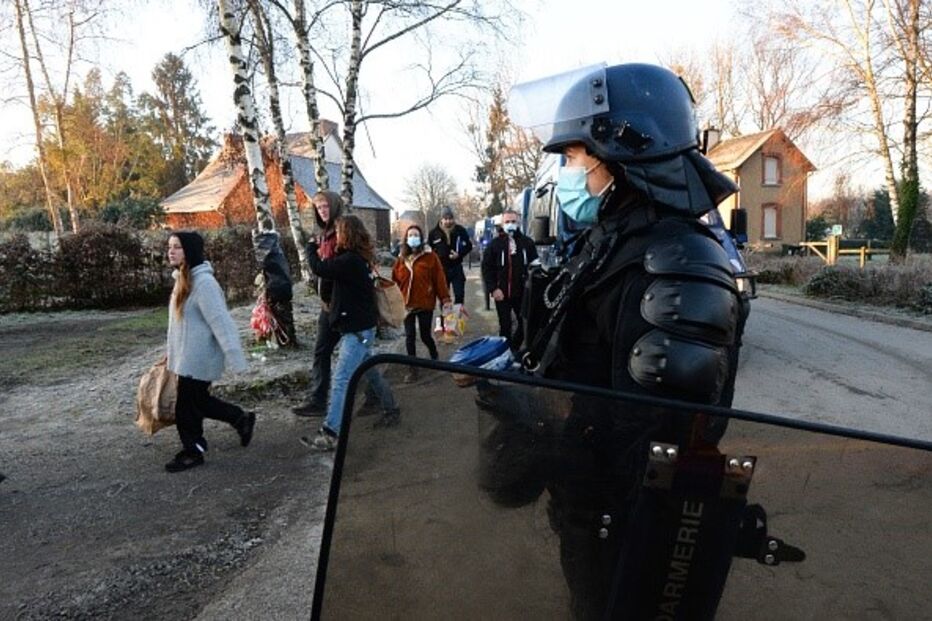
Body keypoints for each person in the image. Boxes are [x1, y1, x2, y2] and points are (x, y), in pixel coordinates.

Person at [484, 63, 744, 618]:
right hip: (589, 517)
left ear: (622, 151)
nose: (566, 172)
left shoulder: (676, 258)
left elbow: (653, 445)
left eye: (574, 157)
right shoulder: (611, 240)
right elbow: (578, 367)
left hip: (628, 532)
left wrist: (535, 415)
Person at [303, 215, 400, 450]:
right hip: (361, 329)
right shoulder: (359, 259)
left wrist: (310, 247)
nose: (335, 235)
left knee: (341, 380)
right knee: (371, 373)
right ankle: (391, 409)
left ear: (347, 234)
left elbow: (319, 268)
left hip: (356, 331)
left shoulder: (349, 261)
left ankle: (330, 432)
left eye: (339, 231)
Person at [164, 231, 254, 473]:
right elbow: (180, 326)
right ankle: (240, 418)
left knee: (186, 408)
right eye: (170, 246)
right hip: (187, 358)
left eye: (177, 247)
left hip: (200, 359)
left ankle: (193, 450)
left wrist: (235, 356)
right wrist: (170, 353)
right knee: (200, 402)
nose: (171, 251)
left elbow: (221, 322)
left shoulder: (204, 284)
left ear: (189, 251)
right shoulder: (183, 280)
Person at [292, 191, 344, 416]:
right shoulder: (323, 234)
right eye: (319, 207)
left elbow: (329, 269)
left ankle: (380, 398)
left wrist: (311, 251)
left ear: (334, 206)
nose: (322, 210)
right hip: (328, 305)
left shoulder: (343, 232)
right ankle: (318, 399)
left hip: (343, 305)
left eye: (325, 206)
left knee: (358, 354)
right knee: (322, 351)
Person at [392, 224, 451, 383]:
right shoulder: (400, 259)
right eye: (410, 235)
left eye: (416, 235)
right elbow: (394, 282)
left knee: (425, 335)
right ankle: (412, 369)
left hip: (425, 302)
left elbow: (439, 280)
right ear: (406, 238)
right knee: (409, 336)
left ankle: (434, 355)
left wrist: (445, 299)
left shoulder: (431, 257)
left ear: (421, 237)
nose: (413, 238)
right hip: (407, 305)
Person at [480, 209, 538, 352]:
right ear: (502, 223)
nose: (510, 224)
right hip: (502, 292)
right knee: (505, 326)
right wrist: (493, 289)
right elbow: (487, 269)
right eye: (507, 222)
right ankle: (504, 354)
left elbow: (535, 266)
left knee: (524, 324)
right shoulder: (494, 245)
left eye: (513, 221)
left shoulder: (527, 243)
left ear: (518, 222)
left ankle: (514, 349)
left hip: (522, 292)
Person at [428, 206, 473, 307]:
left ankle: (458, 318)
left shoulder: (460, 230)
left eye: (450, 219)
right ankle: (445, 318)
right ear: (441, 219)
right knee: (444, 297)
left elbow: (469, 246)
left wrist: (460, 254)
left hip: (456, 267)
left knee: (459, 295)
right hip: (441, 269)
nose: (448, 221)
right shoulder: (434, 233)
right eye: (446, 219)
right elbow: (429, 250)